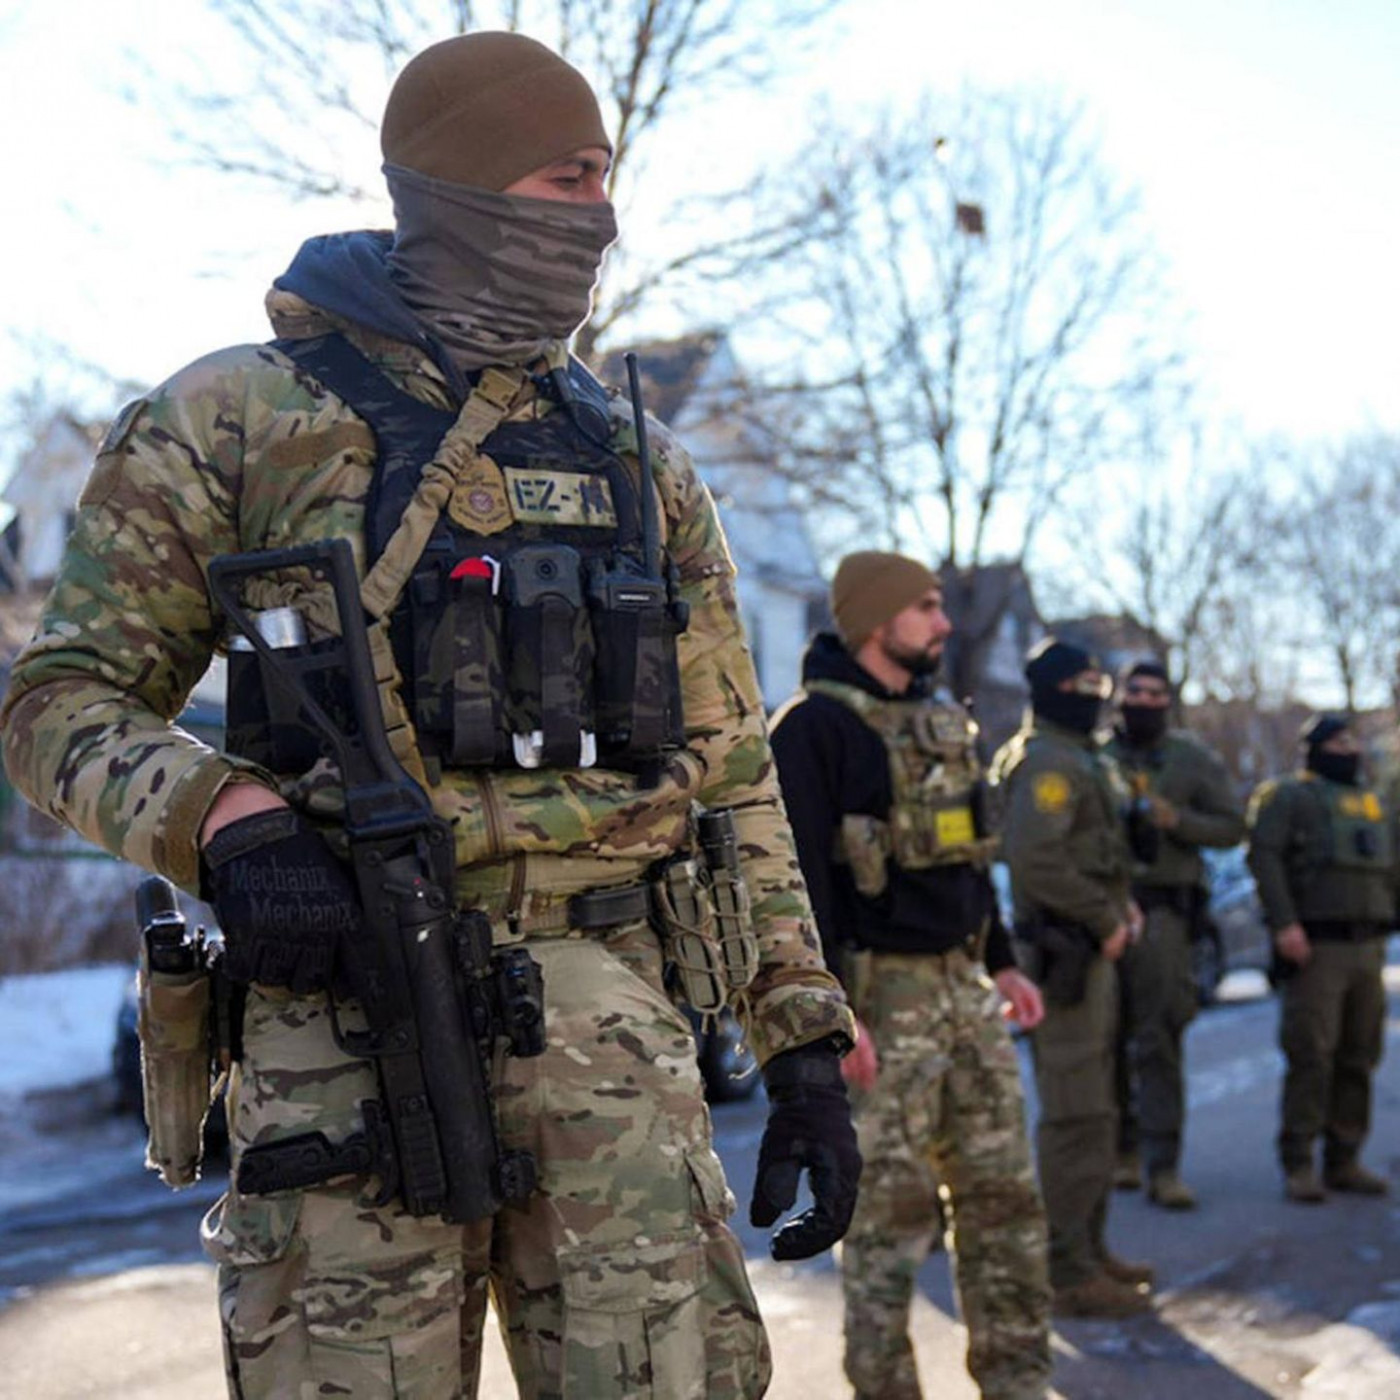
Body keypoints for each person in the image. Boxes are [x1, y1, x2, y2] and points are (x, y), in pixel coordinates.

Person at [0, 32, 861, 1399]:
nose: (601, 215)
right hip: (343, 1016)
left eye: (606, 180)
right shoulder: (239, 417)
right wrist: (220, 816)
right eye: (570, 178)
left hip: (616, 1038)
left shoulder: (643, 460)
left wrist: (804, 1037)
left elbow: (730, 770)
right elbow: (54, 703)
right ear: (462, 183)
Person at [769, 551, 1052, 1400]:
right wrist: (832, 1020)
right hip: (879, 1004)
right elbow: (799, 894)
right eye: (926, 607)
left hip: (966, 992)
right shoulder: (812, 730)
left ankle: (1019, 1383)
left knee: (1006, 1206)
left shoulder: (939, 720)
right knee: (888, 1226)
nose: (945, 622)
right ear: (873, 619)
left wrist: (1002, 961)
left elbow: (970, 858)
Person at [989, 638, 1154, 1320]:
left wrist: (1121, 906)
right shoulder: (1048, 761)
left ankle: (1089, 1248)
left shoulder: (1078, 754)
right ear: (1055, 687)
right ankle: (1066, 1270)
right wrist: (1102, 917)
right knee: (1075, 1115)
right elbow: (1036, 862)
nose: (1098, 693)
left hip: (1091, 950)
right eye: (1085, 681)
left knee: (1098, 1111)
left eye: (1100, 680)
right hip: (1067, 955)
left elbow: (1093, 853)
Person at [1101, 660, 1244, 1209]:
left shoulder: (1192, 759)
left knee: (1158, 1040)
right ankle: (1123, 1152)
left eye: (1154, 693)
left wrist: (1176, 820)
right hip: (1107, 910)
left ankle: (1164, 1166)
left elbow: (1233, 827)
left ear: (1168, 699)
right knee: (1107, 1040)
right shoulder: (1097, 757)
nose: (1142, 700)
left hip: (1165, 915)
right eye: (1133, 691)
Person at [1245, 714, 1395, 1204]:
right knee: (1312, 1056)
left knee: (1359, 1054)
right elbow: (1264, 859)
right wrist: (1285, 923)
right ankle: (1299, 1162)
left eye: (1352, 739)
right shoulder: (1289, 797)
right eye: (1336, 741)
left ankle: (1344, 1157)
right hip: (1316, 947)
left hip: (1367, 947)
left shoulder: (1372, 804)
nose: (1347, 748)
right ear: (1313, 748)